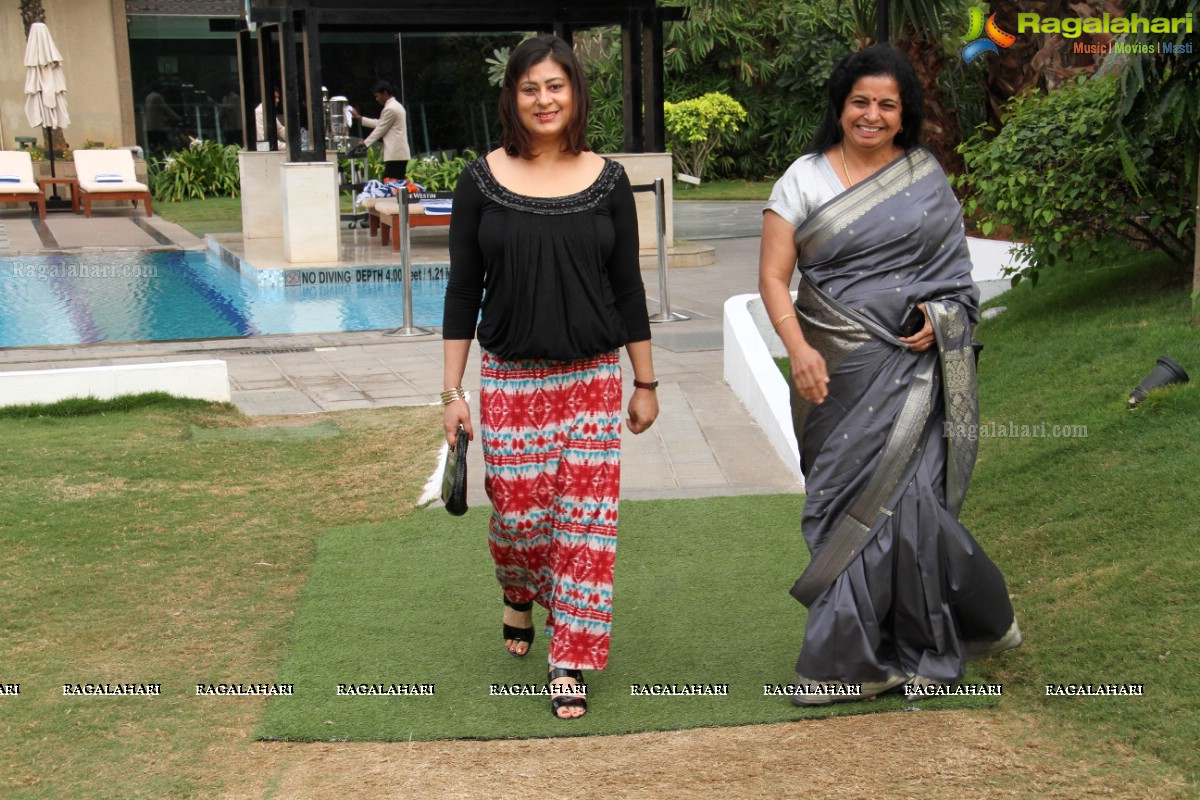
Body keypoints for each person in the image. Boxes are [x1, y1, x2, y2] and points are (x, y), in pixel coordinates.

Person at [757, 44, 1021, 706]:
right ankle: (983, 614)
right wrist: (800, 349)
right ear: (840, 107)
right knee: (845, 506)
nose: (871, 115)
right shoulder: (804, 179)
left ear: (905, 114)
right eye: (860, 102)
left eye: (886, 104)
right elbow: (772, 277)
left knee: (911, 509)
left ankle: (860, 660)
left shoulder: (925, 178)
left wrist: (945, 317)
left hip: (917, 376)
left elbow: (955, 277)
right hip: (835, 372)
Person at [442, 34, 658, 720]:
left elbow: (627, 287)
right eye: (530, 87)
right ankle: (517, 589)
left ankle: (571, 656)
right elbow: (460, 289)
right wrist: (454, 393)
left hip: (592, 380)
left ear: (575, 93)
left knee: (585, 527)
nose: (544, 100)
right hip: (509, 383)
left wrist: (644, 381)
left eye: (556, 86)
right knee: (520, 515)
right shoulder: (479, 181)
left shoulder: (610, 181)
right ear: (513, 95)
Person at [351, 80, 411, 180]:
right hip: (399, 154)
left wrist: (366, 143)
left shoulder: (390, 108)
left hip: (395, 154)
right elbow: (381, 124)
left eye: (377, 96)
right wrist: (360, 118)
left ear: (385, 94)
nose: (377, 99)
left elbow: (380, 128)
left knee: (389, 183)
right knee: (397, 185)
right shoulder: (396, 106)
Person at [143, 83, 179, 155]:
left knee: (153, 144)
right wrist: (177, 117)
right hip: (157, 126)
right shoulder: (158, 97)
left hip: (149, 125)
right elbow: (166, 109)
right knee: (166, 143)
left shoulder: (148, 96)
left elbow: (155, 111)